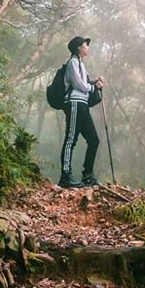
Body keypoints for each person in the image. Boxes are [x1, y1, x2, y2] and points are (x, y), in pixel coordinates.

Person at [59, 36, 104, 188]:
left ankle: (88, 175)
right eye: (86, 45)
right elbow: (77, 84)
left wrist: (94, 83)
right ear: (79, 47)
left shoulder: (81, 64)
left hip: (83, 105)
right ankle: (65, 176)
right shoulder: (72, 62)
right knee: (71, 139)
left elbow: (83, 83)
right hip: (74, 104)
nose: (87, 47)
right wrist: (93, 87)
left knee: (94, 140)